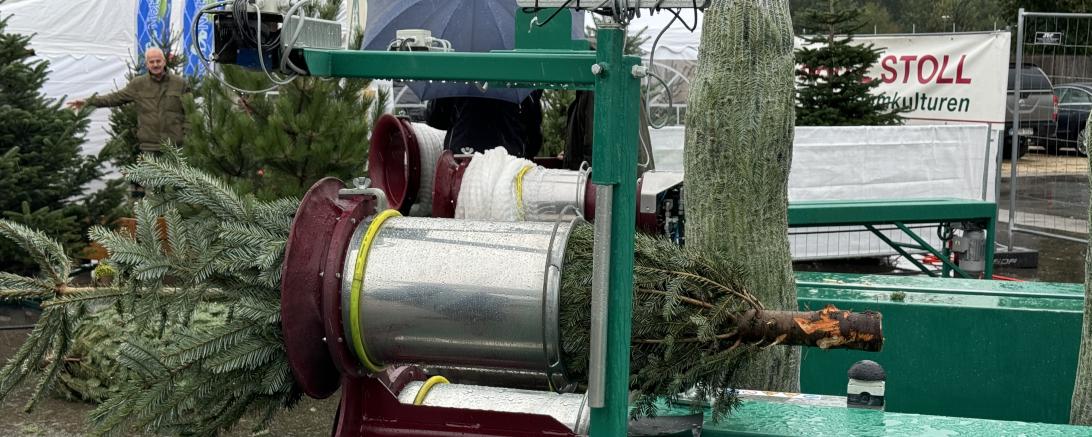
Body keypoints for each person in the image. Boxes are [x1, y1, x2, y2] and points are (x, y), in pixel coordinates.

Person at [67, 47, 189, 153]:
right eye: (152, 62)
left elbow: (191, 113)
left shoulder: (180, 83)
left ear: (164, 62)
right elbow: (115, 98)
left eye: (158, 61)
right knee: (152, 180)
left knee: (175, 180)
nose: (155, 64)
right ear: (147, 64)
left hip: (175, 146)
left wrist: (188, 137)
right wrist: (88, 101)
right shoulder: (138, 84)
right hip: (149, 146)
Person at [424, 90, 543, 160]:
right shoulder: (524, 81)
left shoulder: (457, 72)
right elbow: (534, 138)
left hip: (461, 158)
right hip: (509, 163)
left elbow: (435, 119)